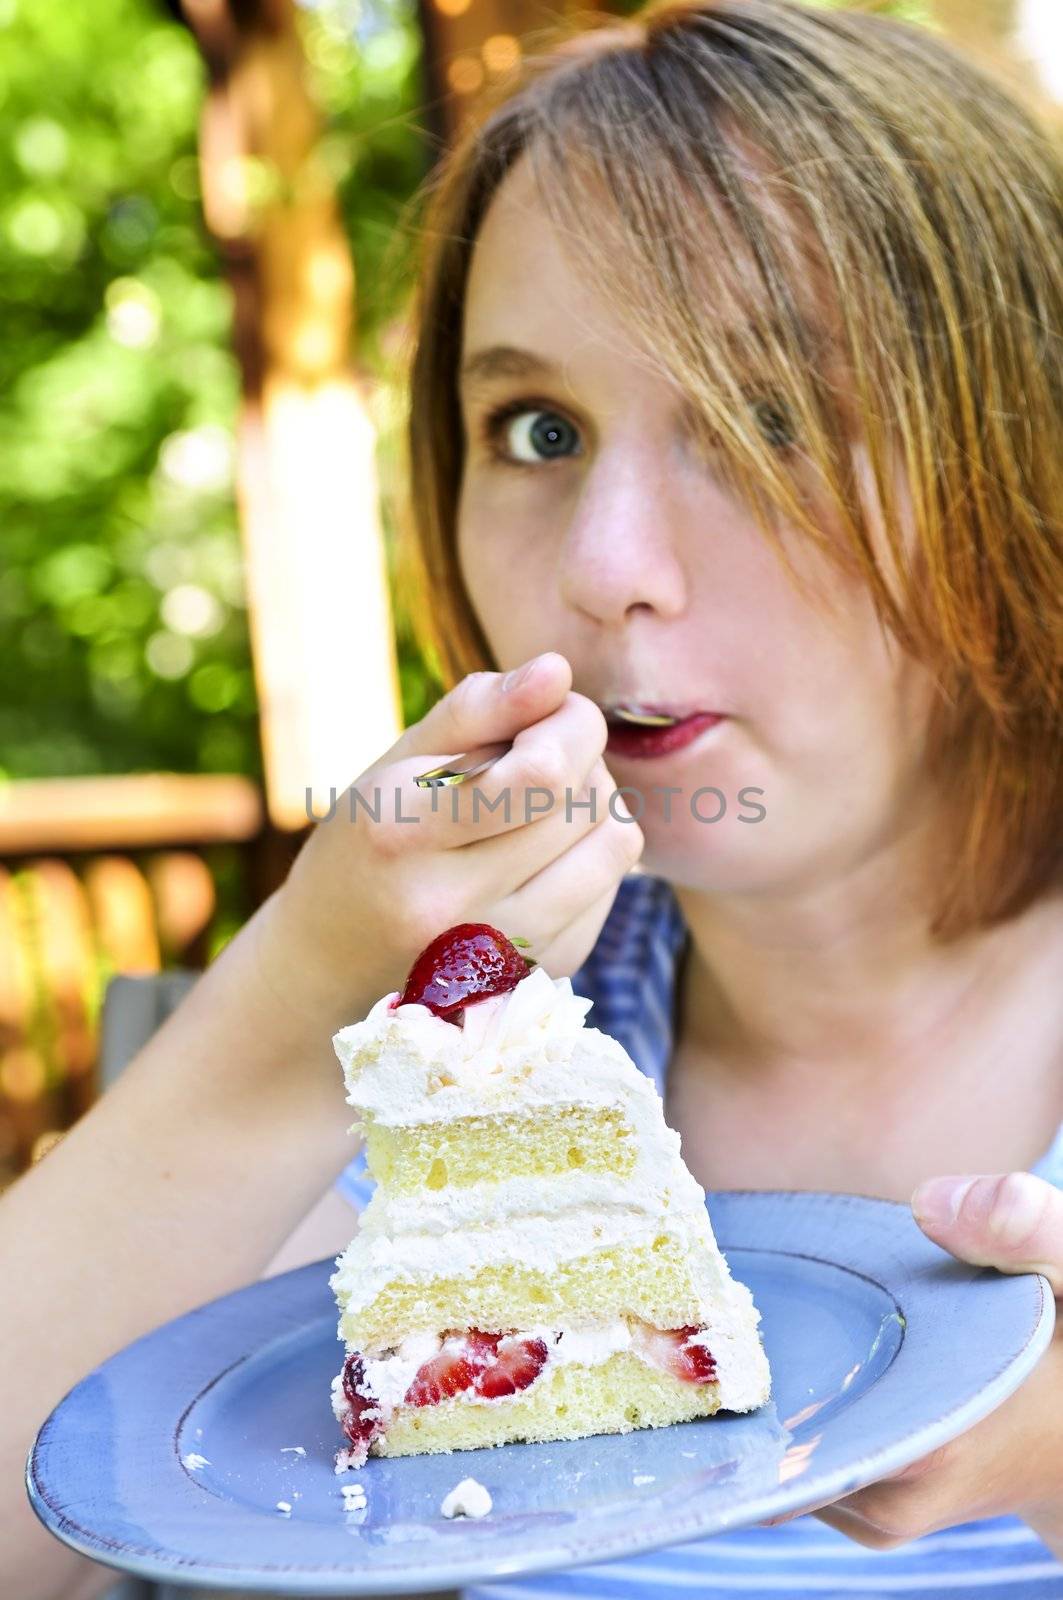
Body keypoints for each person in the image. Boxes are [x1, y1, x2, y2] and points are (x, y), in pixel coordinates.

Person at [1, 1, 1060, 1597]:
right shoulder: (481, 1070)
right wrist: (300, 999)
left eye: (772, 421)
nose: (602, 570)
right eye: (538, 431)